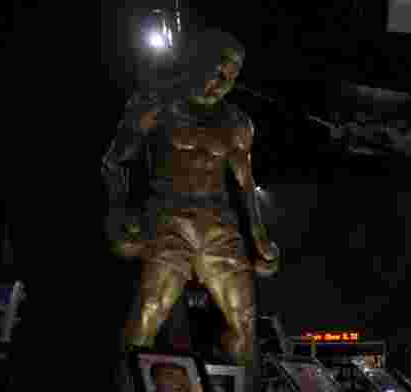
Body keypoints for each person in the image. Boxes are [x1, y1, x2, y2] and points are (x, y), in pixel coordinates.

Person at [102, 29, 280, 367]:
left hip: (220, 225)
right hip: (169, 216)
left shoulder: (237, 121)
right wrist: (118, 209)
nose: (221, 81)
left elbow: (244, 183)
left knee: (244, 326)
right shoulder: (156, 104)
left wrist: (259, 237)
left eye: (231, 76)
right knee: (147, 316)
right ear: (197, 61)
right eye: (217, 69)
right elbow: (115, 162)